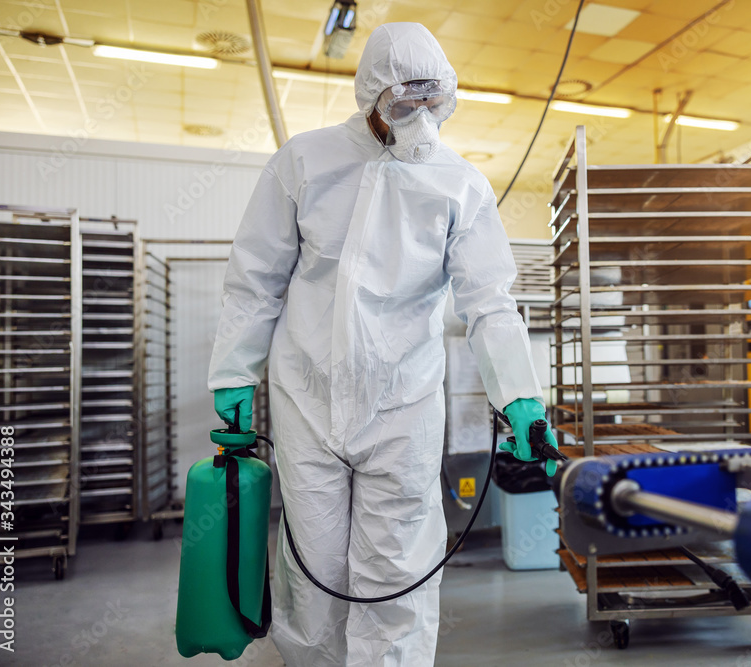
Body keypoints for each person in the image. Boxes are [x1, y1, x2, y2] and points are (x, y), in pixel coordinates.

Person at [207, 22, 559, 667]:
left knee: (395, 571)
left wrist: (520, 399)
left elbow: (488, 300)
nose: (420, 119)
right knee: (313, 567)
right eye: (405, 103)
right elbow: (254, 279)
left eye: (434, 103)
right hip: (306, 398)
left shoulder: (460, 184)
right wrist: (233, 376)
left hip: (403, 403)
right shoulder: (303, 162)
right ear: (371, 95)